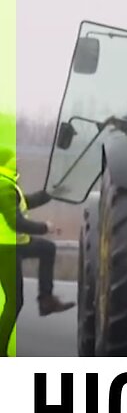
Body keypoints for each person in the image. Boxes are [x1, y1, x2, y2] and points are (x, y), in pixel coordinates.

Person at [0, 145, 74, 340]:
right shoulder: (3, 187)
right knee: (14, 301)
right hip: (5, 250)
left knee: (47, 248)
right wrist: (45, 227)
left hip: (16, 244)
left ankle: (46, 300)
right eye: (14, 160)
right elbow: (16, 223)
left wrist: (52, 192)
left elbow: (27, 201)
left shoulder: (8, 185)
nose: (18, 163)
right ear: (5, 164)